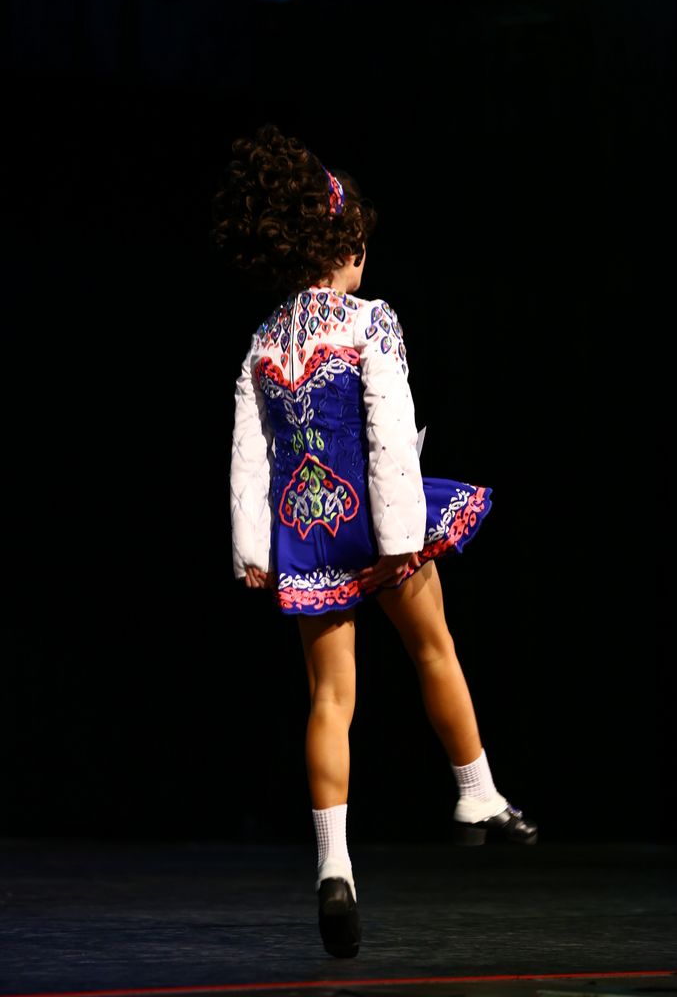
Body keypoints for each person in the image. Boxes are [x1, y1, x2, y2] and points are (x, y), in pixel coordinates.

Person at [211, 123, 537, 960]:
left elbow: (249, 455)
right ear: (345, 245)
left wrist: (253, 552)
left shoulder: (262, 341)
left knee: (330, 700)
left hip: (306, 530)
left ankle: (334, 866)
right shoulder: (370, 322)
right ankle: (475, 790)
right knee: (433, 648)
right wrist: (398, 539)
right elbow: (390, 432)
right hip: (374, 521)